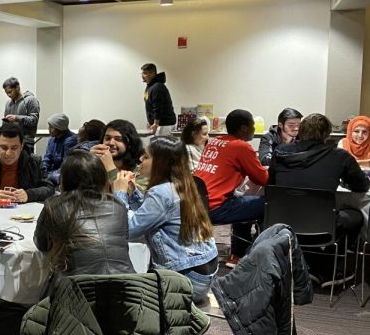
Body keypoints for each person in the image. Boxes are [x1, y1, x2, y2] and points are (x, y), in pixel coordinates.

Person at [113, 137, 218, 302]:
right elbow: (153, 214)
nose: (141, 159)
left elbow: (128, 231)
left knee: (120, 294)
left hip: (185, 282)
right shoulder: (181, 183)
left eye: (146, 157)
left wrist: (119, 193)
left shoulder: (162, 192)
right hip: (202, 275)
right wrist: (133, 194)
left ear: (162, 163)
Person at [33, 150, 134, 276]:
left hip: (79, 288)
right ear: (102, 179)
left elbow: (41, 243)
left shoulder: (54, 205)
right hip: (128, 285)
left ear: (64, 180)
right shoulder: (118, 205)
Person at [270, 113, 368, 240]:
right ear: (327, 134)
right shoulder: (340, 156)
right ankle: (330, 256)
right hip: (322, 225)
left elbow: (271, 183)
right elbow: (361, 186)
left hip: (281, 220)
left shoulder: (280, 151)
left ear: (301, 131)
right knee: (355, 217)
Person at [193, 109, 268, 268]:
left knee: (244, 200)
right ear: (244, 128)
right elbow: (262, 179)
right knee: (266, 205)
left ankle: (237, 254)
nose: (255, 129)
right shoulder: (241, 147)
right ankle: (255, 257)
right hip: (216, 207)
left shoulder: (213, 141)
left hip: (196, 204)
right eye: (252, 125)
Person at [0, 123, 54, 203]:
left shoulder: (34, 162)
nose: (8, 153)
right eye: (4, 147)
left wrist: (28, 194)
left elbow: (49, 188)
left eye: (14, 148)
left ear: (22, 146)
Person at [2, 77, 40, 153]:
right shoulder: (8, 103)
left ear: (17, 87)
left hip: (26, 142)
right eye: (7, 93)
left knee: (25, 164)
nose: (9, 95)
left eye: (10, 92)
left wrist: (16, 118)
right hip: (11, 142)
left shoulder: (31, 100)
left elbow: (34, 120)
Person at [41, 113, 78, 185]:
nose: (48, 129)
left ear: (59, 128)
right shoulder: (52, 139)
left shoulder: (70, 140)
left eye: (51, 127)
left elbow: (66, 166)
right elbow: (47, 158)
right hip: (53, 172)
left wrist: (48, 176)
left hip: (64, 175)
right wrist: (41, 171)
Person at [141, 63, 176, 136]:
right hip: (159, 125)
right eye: (142, 73)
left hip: (163, 125)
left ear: (151, 73)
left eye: (144, 73)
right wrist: (150, 122)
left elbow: (157, 106)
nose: (142, 75)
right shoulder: (150, 86)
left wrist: (155, 123)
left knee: (162, 147)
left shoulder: (157, 87)